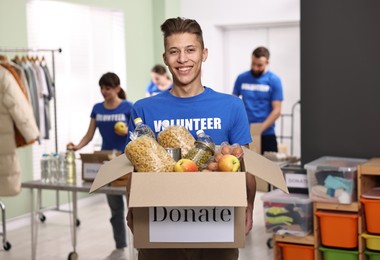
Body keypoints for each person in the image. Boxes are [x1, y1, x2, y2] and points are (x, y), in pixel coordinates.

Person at [126, 17, 256, 260]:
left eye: (190, 50)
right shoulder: (143, 109)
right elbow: (135, 169)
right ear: (165, 58)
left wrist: (249, 206)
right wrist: (132, 206)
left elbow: (245, 166)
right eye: (174, 51)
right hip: (161, 225)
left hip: (217, 226)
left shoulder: (231, 106)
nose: (182, 59)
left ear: (204, 53)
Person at [68, 72, 132, 260]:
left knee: (133, 207)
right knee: (115, 209)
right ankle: (120, 246)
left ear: (117, 89)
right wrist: (77, 146)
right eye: (102, 88)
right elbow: (89, 134)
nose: (104, 92)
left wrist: (127, 131)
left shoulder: (129, 107)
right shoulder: (97, 108)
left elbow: (138, 134)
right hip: (106, 162)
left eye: (108, 88)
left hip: (126, 161)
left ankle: (138, 245)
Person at [233, 46, 283, 154]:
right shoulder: (241, 78)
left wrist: (258, 130)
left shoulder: (274, 80)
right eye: (253, 63)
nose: (255, 68)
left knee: (270, 169)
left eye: (259, 65)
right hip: (245, 134)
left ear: (267, 63)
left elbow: (277, 111)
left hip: (266, 134)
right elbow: (233, 102)